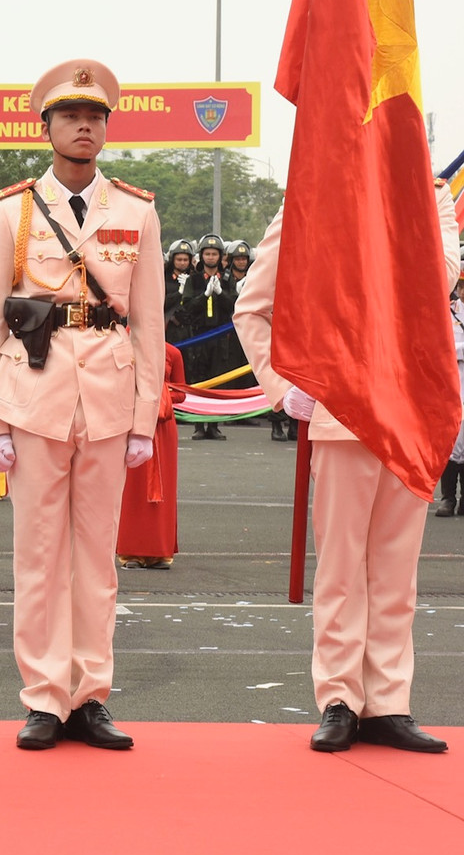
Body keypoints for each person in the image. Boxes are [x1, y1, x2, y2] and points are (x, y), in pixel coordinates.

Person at [0, 59, 161, 753]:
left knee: (96, 558)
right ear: (46, 126)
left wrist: (145, 418)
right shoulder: (10, 209)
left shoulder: (137, 209)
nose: (85, 126)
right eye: (71, 116)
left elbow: (149, 322)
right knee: (39, 555)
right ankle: (45, 695)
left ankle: (91, 693)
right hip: (34, 396)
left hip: (108, 396)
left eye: (96, 116)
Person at [234, 185, 459, 754]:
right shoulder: (313, 191)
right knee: (340, 563)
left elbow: (442, 274)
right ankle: (339, 698)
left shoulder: (425, 194)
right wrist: (285, 390)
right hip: (343, 410)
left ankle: (389, 702)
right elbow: (253, 308)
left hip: (411, 410)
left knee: (395, 568)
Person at [118, 343, 186, 569]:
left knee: (163, 488)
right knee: (131, 489)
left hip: (162, 426)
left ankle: (159, 552)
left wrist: (160, 392)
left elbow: (181, 393)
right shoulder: (119, 344)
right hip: (129, 421)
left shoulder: (172, 353)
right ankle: (130, 551)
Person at [185, 234, 235, 441]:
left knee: (218, 379)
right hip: (198, 336)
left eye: (215, 254)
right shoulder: (194, 279)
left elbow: (234, 305)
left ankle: (214, 425)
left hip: (219, 336)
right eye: (207, 253)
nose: (211, 257)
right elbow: (187, 308)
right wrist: (203, 295)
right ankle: (198, 424)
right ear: (201, 256)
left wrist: (221, 293)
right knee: (199, 379)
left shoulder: (226, 278)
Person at [441, 271, 464, 517]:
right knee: (450, 441)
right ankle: (448, 498)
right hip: (453, 382)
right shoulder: (447, 312)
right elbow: (441, 344)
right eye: (461, 285)